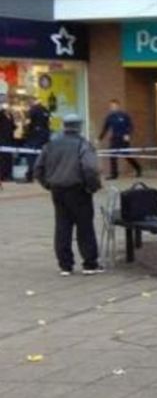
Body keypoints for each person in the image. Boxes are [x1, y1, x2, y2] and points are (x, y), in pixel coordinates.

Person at [33, 114, 103, 276]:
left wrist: (48, 184)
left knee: (62, 226)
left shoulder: (51, 144)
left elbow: (38, 168)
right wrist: (92, 186)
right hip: (78, 189)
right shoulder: (82, 144)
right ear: (79, 126)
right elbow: (90, 168)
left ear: (64, 125)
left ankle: (65, 265)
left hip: (58, 190)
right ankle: (89, 263)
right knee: (85, 227)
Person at [99, 99, 142, 179]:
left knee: (127, 156)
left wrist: (127, 134)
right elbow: (105, 128)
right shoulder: (109, 117)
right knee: (112, 156)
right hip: (114, 138)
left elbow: (130, 126)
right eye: (111, 106)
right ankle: (114, 175)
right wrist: (99, 138)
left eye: (114, 106)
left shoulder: (124, 115)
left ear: (118, 106)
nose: (113, 107)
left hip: (123, 139)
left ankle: (138, 168)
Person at [23, 97, 51, 183]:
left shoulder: (32, 110)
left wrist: (25, 132)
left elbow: (28, 123)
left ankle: (30, 175)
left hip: (34, 136)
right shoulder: (45, 110)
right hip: (45, 135)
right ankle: (45, 175)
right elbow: (49, 122)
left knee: (31, 155)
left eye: (27, 103)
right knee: (44, 155)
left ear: (30, 102)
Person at [0, 102, 14, 182]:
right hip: (2, 139)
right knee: (2, 158)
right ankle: (2, 175)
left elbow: (12, 126)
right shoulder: (1, 115)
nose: (9, 108)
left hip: (9, 139)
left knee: (9, 157)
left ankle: (9, 175)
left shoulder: (10, 116)